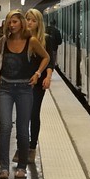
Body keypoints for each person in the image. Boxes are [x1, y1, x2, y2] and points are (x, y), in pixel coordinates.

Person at [0, 10, 48, 179]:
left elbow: (46, 57)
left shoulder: (32, 41)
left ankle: (22, 166)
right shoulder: (4, 41)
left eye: (14, 21)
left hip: (24, 89)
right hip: (5, 88)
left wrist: (38, 73)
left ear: (21, 23)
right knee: (5, 127)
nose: (11, 25)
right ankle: (4, 168)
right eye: (9, 22)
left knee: (23, 130)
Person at [25, 9, 61, 150]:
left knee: (34, 112)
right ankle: (22, 142)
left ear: (39, 23)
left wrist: (48, 76)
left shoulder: (46, 39)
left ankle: (33, 145)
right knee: (23, 113)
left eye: (34, 20)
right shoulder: (21, 38)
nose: (30, 22)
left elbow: (50, 60)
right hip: (23, 81)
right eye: (28, 19)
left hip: (39, 81)